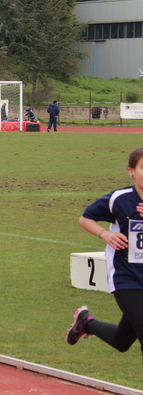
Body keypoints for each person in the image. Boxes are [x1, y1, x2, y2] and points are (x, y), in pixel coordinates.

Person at [66, 147, 143, 361]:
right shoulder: (119, 199)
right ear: (132, 172)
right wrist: (104, 234)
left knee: (121, 341)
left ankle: (85, 323)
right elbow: (85, 218)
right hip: (127, 277)